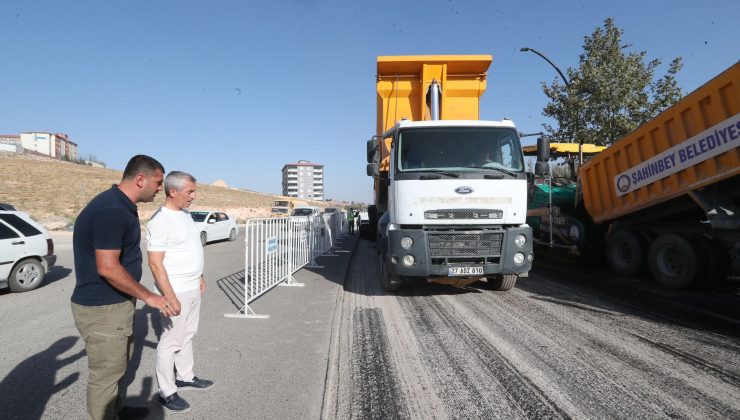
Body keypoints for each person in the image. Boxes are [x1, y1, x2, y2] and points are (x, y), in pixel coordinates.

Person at [71, 155, 174, 420]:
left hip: (115, 305)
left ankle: (117, 410)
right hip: (102, 307)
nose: (160, 189)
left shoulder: (121, 205)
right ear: (141, 179)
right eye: (158, 182)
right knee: (106, 375)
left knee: (119, 364)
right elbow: (107, 267)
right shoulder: (111, 211)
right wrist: (148, 295)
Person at [146, 171, 213, 413]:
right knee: (170, 341)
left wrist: (200, 276)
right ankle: (167, 391)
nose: (193, 196)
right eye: (190, 192)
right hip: (175, 290)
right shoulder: (160, 221)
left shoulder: (184, 215)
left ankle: (185, 376)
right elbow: (155, 263)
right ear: (172, 191)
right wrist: (169, 296)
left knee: (188, 334)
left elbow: (190, 248)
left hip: (192, 286)